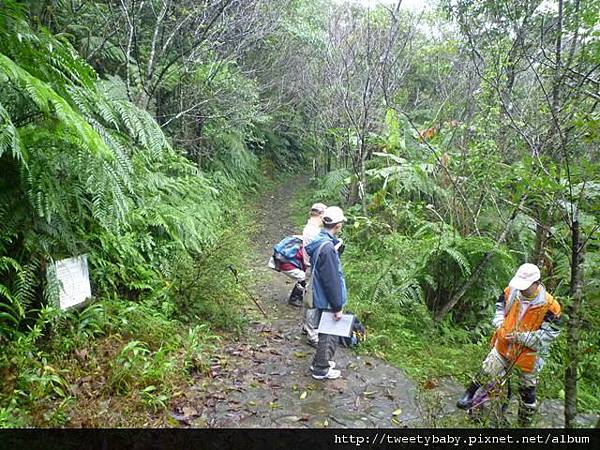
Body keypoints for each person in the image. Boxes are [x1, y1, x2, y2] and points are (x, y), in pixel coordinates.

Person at [456, 263, 562, 426]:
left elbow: (549, 335)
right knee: (486, 370)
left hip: (528, 357)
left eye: (526, 286)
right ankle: (469, 396)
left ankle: (523, 423)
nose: (522, 289)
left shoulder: (550, 306)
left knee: (527, 390)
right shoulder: (511, 291)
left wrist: (521, 338)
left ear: (536, 283)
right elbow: (500, 307)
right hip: (503, 345)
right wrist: (499, 324)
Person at [305, 206, 348, 380]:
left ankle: (318, 362)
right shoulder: (328, 248)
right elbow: (331, 280)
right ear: (337, 226)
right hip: (328, 298)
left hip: (320, 294)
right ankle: (321, 368)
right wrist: (337, 305)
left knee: (325, 331)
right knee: (328, 334)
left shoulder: (319, 240)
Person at [302, 203, 327, 346]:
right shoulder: (314, 232)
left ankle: (306, 327)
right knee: (313, 303)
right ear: (320, 214)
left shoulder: (309, 228)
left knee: (308, 299)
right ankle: (312, 335)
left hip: (309, 267)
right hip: (313, 268)